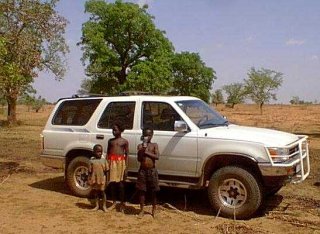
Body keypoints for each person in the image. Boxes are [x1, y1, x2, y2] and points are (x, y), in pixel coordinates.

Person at [136, 127, 160, 217]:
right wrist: (143, 150)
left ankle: (154, 209)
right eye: (145, 135)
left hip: (152, 170)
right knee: (142, 190)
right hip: (142, 171)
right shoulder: (140, 146)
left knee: (153, 191)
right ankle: (141, 210)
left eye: (149, 135)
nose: (147, 137)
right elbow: (139, 159)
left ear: (152, 135)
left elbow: (157, 156)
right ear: (143, 135)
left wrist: (147, 152)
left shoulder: (154, 145)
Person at [107, 123, 129, 213]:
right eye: (112, 130)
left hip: (121, 163)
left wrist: (126, 167)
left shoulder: (124, 141)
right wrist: (107, 164)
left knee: (121, 184)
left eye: (115, 130)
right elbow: (108, 153)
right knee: (112, 183)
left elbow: (127, 154)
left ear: (121, 130)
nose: (113, 131)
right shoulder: (110, 141)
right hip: (112, 162)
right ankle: (114, 202)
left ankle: (122, 203)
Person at [88, 144, 109, 212]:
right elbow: (90, 171)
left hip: (102, 179)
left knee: (103, 192)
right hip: (95, 179)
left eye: (101, 151)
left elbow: (107, 171)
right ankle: (97, 205)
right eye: (98, 151)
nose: (100, 153)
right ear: (94, 152)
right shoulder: (91, 161)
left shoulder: (104, 161)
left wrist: (107, 180)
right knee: (96, 192)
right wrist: (89, 179)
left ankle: (104, 206)